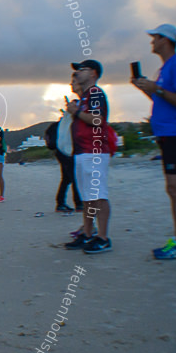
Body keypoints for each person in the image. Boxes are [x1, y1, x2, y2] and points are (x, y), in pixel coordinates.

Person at [131, 23, 176, 259]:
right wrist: (147, 89)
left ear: (165, 39)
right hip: (168, 134)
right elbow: (162, 98)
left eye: (154, 37)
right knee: (173, 188)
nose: (152, 41)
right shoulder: (165, 69)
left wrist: (157, 89)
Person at [64, 60, 112, 254]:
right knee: (87, 197)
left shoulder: (95, 93)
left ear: (93, 73)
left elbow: (98, 120)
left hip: (95, 151)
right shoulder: (86, 96)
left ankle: (103, 237)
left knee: (98, 195)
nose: (76, 74)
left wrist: (76, 112)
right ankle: (88, 233)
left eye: (81, 70)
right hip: (84, 151)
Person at [45, 120, 82, 213]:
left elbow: (49, 140)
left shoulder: (55, 125)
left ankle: (60, 203)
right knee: (74, 178)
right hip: (68, 153)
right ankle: (78, 204)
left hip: (59, 153)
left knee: (66, 179)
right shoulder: (68, 125)